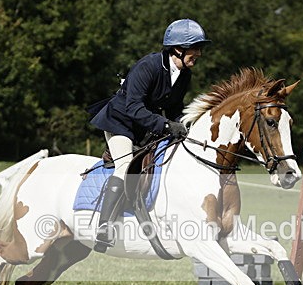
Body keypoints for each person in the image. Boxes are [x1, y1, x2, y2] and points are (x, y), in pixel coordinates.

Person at [89, 18, 212, 252]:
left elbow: (175, 108)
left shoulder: (184, 74)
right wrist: (166, 127)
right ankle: (104, 228)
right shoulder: (148, 66)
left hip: (146, 125)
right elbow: (133, 107)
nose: (199, 53)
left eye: (200, 48)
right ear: (178, 48)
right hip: (121, 123)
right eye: (195, 48)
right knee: (125, 165)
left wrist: (181, 126)